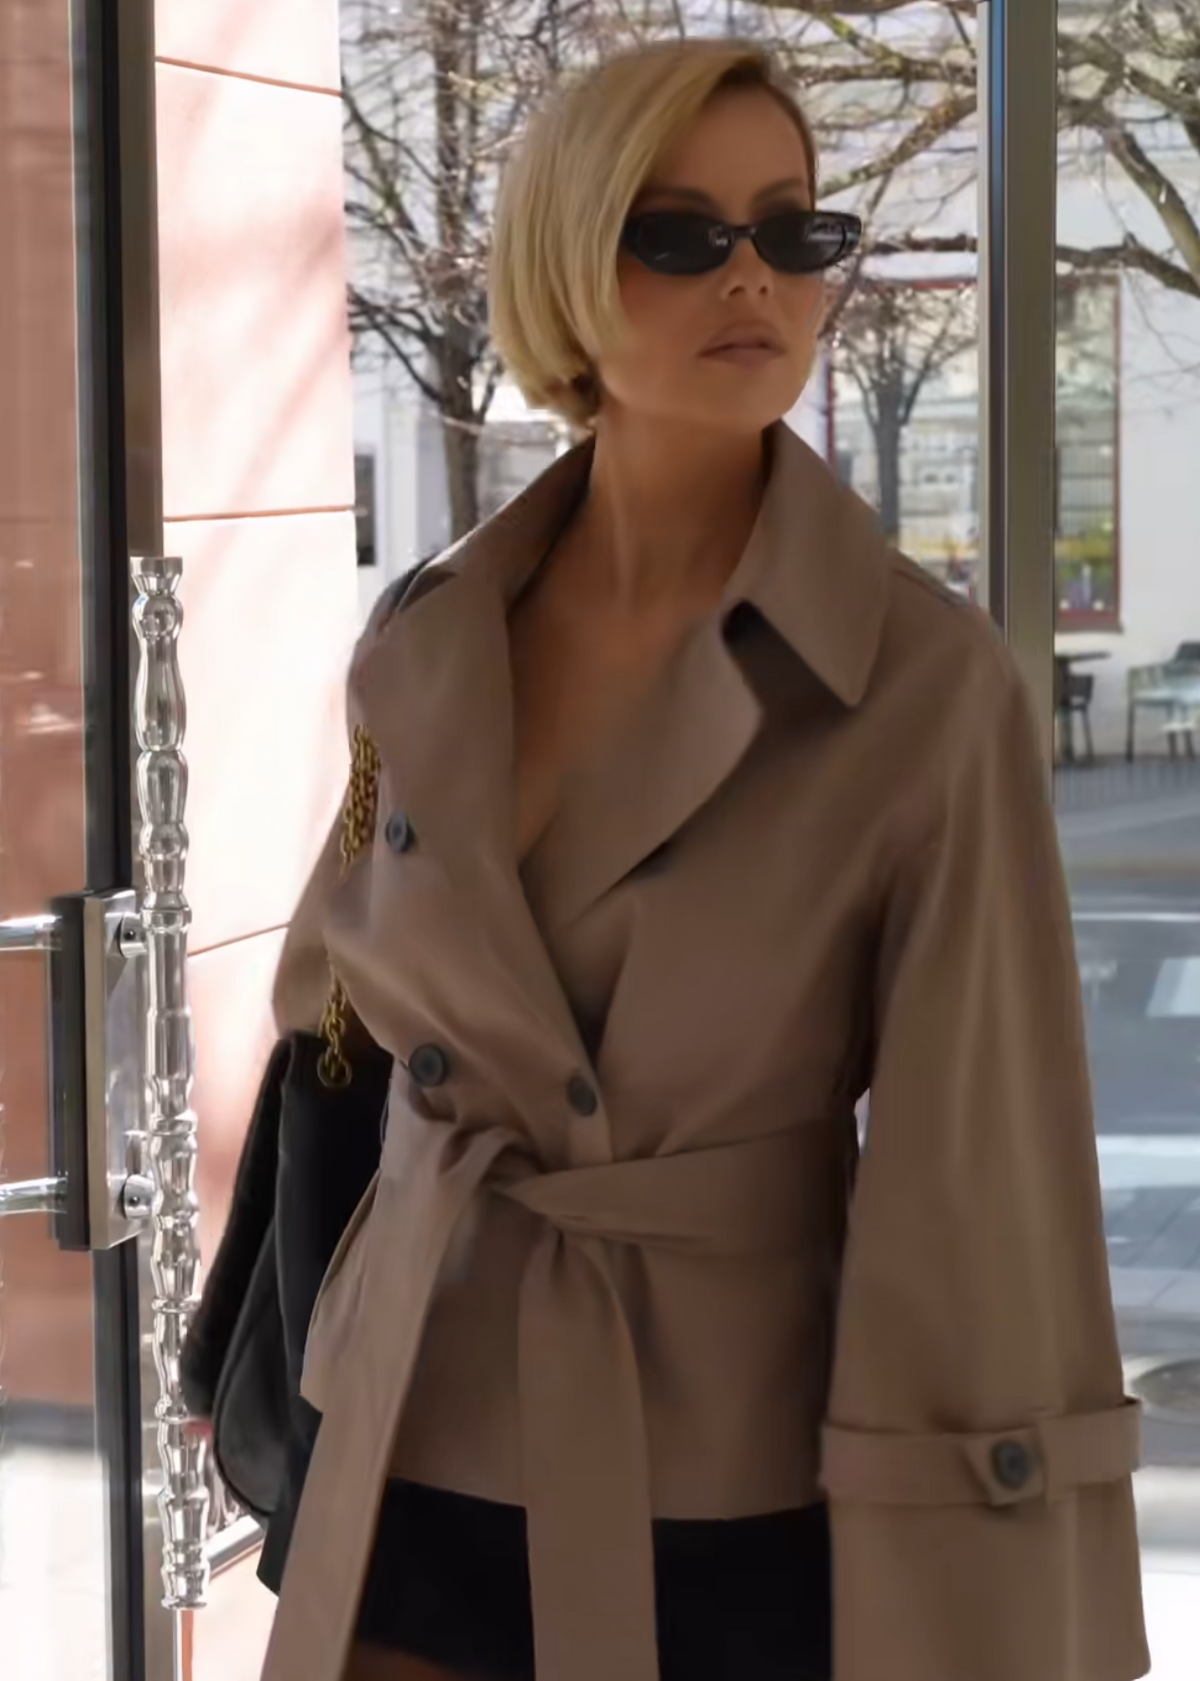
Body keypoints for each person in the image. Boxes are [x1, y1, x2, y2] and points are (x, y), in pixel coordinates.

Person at [262, 38, 1148, 1681]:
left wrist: (987, 1572)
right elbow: (333, 1008)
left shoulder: (918, 683)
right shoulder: (431, 637)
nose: (754, 277)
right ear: (564, 265)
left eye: (795, 231)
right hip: (403, 1419)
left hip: (715, 1475)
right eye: (678, 233)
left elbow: (983, 1187)